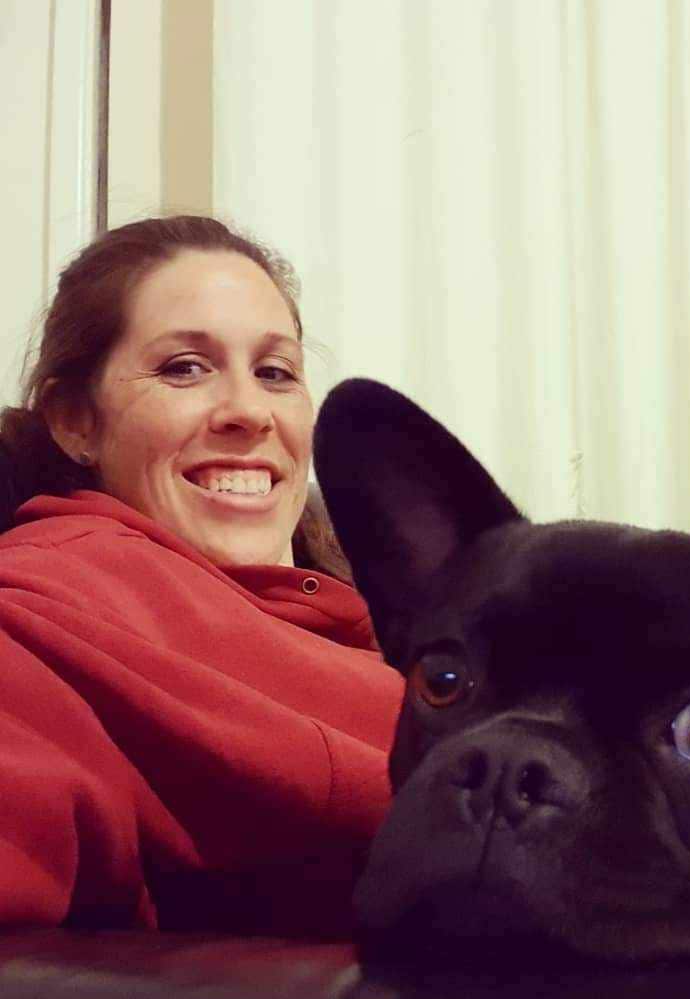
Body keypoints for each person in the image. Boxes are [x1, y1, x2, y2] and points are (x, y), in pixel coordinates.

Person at [0, 216, 403, 938]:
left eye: (276, 373)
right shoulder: (59, 599)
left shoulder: (391, 617)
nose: (249, 412)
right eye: (184, 367)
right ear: (74, 421)